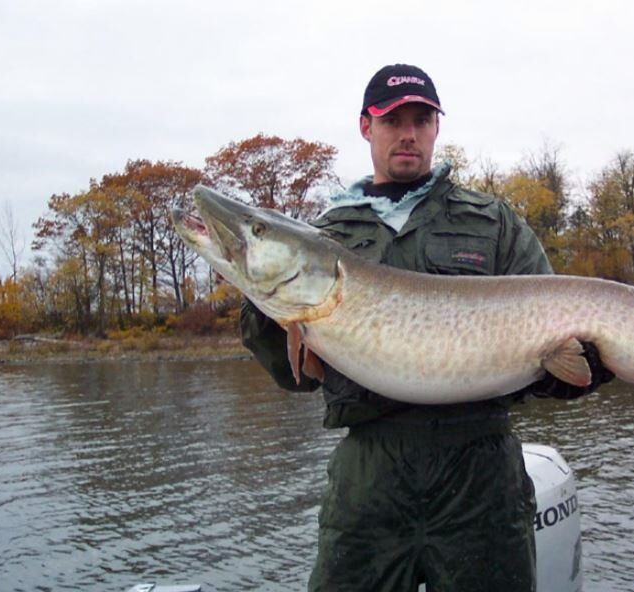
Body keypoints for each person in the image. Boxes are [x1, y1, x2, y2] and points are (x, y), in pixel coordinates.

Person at [240, 64, 613, 592]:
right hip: (369, 474)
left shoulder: (493, 222)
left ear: (437, 127)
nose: (408, 133)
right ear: (366, 127)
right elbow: (295, 375)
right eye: (392, 120)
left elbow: (552, 337)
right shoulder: (325, 238)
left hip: (481, 478)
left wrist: (583, 369)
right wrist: (264, 302)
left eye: (421, 119)